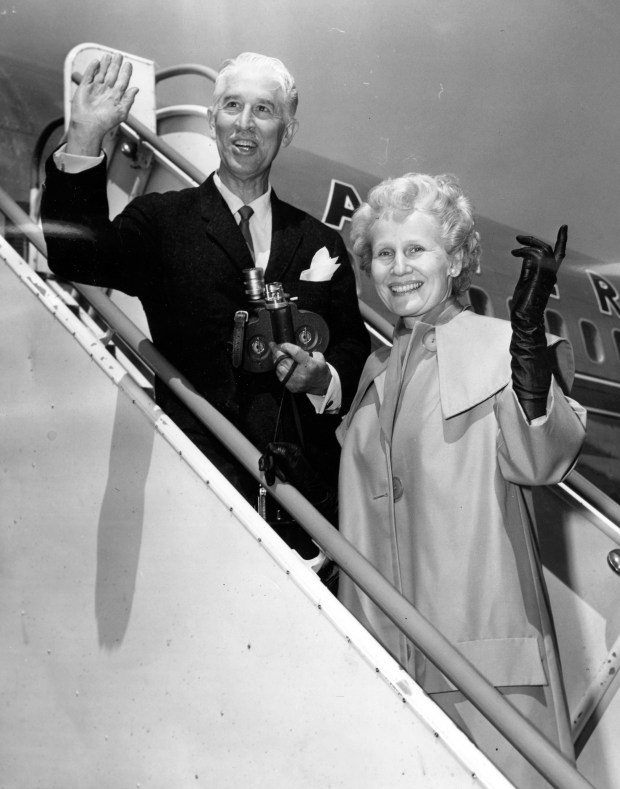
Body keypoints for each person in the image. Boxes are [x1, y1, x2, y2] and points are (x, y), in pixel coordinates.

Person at [270, 172, 585, 786]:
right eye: (383, 253)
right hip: (381, 660)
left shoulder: (504, 347)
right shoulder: (375, 372)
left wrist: (526, 351)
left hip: (481, 667)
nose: (397, 267)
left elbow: (541, 460)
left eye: (416, 249)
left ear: (457, 258)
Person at [40, 51, 369, 558]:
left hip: (301, 508)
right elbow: (77, 257)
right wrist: (84, 138)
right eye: (233, 105)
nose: (245, 123)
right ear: (212, 119)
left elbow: (353, 345)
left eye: (264, 110)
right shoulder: (162, 220)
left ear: (288, 129)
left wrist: (323, 379)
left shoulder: (318, 240)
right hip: (195, 488)